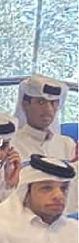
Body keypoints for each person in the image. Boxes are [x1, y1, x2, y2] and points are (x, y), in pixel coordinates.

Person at [0, 155, 76, 243]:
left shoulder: (74, 229)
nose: (59, 196)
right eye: (46, 188)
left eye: (63, 188)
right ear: (26, 193)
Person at [13, 75, 77, 210]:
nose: (48, 109)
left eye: (53, 103)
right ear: (25, 105)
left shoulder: (67, 144)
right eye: (41, 102)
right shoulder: (11, 146)